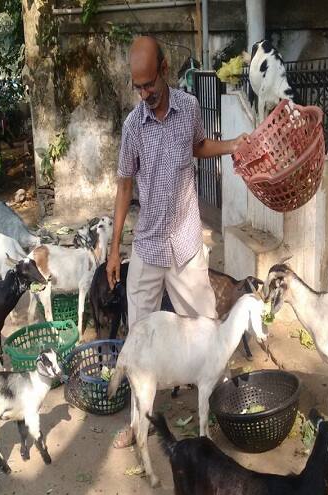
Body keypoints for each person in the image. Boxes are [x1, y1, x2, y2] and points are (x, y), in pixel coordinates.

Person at [107, 35, 248, 448]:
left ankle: (218, 401)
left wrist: (232, 146)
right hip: (148, 247)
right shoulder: (133, 127)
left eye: (149, 83)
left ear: (164, 69)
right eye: (138, 87)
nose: (145, 93)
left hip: (186, 243)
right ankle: (140, 422)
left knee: (206, 324)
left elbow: (198, 145)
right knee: (139, 337)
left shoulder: (189, 107)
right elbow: (123, 186)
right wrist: (115, 248)